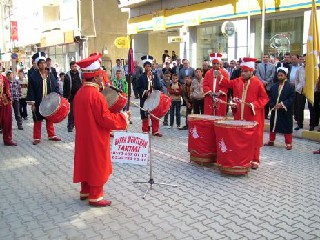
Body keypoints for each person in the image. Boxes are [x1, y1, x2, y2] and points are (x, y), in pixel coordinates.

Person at [73, 53, 129, 207]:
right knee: (97, 163)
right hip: (95, 136)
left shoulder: (79, 94)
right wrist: (123, 117)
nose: (102, 78)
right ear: (96, 76)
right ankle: (96, 196)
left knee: (85, 161)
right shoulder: (96, 96)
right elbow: (105, 119)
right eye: (101, 75)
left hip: (83, 135)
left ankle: (85, 191)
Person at [220, 57, 269, 169]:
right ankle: (242, 158)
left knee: (254, 137)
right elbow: (227, 84)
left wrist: (253, 105)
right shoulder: (238, 81)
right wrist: (234, 104)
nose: (243, 73)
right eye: (242, 71)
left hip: (252, 115)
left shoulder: (258, 83)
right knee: (240, 137)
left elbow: (264, 98)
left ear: (252, 71)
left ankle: (255, 159)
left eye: (246, 71)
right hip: (239, 114)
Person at [26, 52, 61, 145]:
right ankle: (37, 137)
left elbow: (55, 86)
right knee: (37, 119)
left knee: (50, 118)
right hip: (38, 101)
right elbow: (31, 90)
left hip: (48, 101)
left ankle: (51, 135)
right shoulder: (33, 76)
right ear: (37, 65)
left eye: (44, 63)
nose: (43, 64)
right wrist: (32, 103)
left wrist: (56, 97)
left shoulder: (50, 74)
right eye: (40, 63)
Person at [264, 67, 295, 150]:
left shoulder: (290, 86)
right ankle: (271, 140)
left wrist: (282, 104)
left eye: (282, 75)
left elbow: (292, 98)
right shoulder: (274, 86)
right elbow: (269, 97)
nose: (280, 77)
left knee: (287, 126)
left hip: (285, 110)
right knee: (273, 125)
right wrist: (273, 105)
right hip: (275, 109)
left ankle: (288, 143)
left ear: (285, 75)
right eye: (278, 75)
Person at [136, 55, 163, 137]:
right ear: (144, 67)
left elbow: (159, 86)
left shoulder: (155, 75)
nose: (148, 68)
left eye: (149, 66)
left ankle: (155, 130)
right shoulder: (141, 77)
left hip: (154, 97)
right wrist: (144, 92)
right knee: (145, 114)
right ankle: (145, 130)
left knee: (155, 113)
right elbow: (138, 88)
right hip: (145, 98)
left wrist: (156, 89)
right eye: (146, 66)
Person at [63, 61, 83, 132]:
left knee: (80, 111)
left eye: (75, 66)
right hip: (71, 96)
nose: (75, 68)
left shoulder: (81, 74)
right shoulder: (67, 75)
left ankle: (80, 125)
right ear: (70, 67)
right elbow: (65, 87)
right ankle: (70, 126)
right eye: (73, 66)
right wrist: (65, 97)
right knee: (71, 112)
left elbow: (83, 83)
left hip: (80, 95)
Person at [255, 54, 276, 119]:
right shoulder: (259, 65)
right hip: (261, 86)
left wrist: (266, 82)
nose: (265, 58)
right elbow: (257, 74)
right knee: (262, 101)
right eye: (264, 57)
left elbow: (273, 75)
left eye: (266, 57)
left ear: (269, 58)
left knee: (269, 101)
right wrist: (262, 81)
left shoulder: (272, 66)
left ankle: (271, 114)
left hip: (269, 86)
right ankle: (264, 115)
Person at [0, 72, 17, 146]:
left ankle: (7, 139)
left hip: (3, 103)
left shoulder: (4, 79)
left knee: (7, 121)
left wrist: (9, 100)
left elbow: (7, 92)